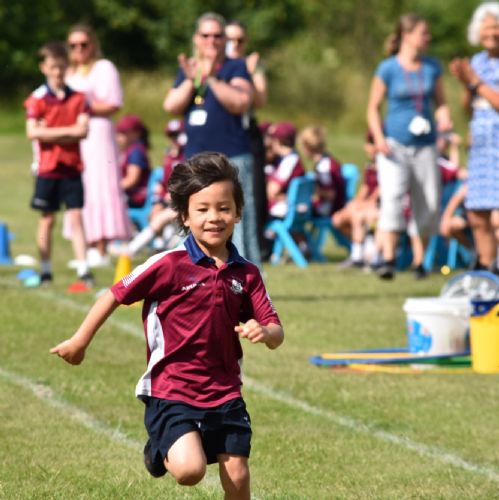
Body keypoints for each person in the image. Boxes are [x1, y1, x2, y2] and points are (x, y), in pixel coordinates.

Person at [50, 152, 284, 500]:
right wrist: (79, 341)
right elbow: (114, 295)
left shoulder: (246, 273)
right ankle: (160, 448)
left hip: (225, 389)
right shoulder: (168, 264)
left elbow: (276, 331)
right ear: (185, 216)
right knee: (190, 471)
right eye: (202, 209)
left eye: (223, 208)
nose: (214, 217)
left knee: (237, 471)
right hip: (171, 389)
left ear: (237, 213)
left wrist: (264, 333)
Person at [163, 12, 261, 267]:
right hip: (196, 161)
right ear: (196, 39)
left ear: (224, 39)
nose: (211, 41)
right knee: (194, 219)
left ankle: (244, 278)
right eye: (205, 35)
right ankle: (195, 276)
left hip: (232, 158)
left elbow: (241, 102)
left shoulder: (235, 67)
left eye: (217, 35)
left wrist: (212, 78)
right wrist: (191, 79)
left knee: (236, 221)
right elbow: (171, 105)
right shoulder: (189, 69)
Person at [367, 13, 452, 280]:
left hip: (426, 145)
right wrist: (378, 138)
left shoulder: (432, 67)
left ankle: (419, 262)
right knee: (392, 198)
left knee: (427, 201)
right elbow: (373, 107)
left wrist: (444, 119)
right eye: (423, 33)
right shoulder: (388, 68)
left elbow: (441, 103)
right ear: (406, 35)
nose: (428, 38)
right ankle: (389, 259)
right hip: (394, 145)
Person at [24, 41, 93, 288]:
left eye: (61, 67)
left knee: (76, 217)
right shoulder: (37, 99)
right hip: (47, 167)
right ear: (44, 68)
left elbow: (83, 131)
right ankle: (45, 270)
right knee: (48, 219)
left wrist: (50, 131)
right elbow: (32, 132)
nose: (57, 72)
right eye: (53, 67)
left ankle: (84, 270)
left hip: (72, 166)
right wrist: (69, 131)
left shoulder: (79, 98)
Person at [65, 23, 131, 267]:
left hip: (98, 133)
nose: (79, 49)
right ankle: (85, 245)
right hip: (75, 135)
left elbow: (113, 103)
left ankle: (101, 246)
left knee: (100, 185)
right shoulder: (69, 72)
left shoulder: (104, 68)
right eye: (73, 45)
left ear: (92, 45)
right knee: (79, 185)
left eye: (83, 44)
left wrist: (83, 106)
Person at [449, 2, 499, 273]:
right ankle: (486, 270)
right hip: (481, 146)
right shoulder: (476, 62)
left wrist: (476, 82)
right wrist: (465, 83)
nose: (491, 33)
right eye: (486, 28)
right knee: (478, 215)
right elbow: (469, 108)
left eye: (496, 27)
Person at [225, 20, 269, 258]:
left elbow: (260, 100)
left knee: (251, 192)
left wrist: (248, 73)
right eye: (229, 39)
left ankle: (253, 249)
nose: (234, 44)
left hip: (245, 131)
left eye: (239, 40)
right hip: (222, 131)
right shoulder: (218, 65)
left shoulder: (252, 64)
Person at [332, 132, 381, 269]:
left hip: (381, 207)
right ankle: (362, 249)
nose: (368, 147)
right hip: (369, 206)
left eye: (372, 143)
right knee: (338, 218)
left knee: (359, 216)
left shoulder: (387, 167)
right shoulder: (370, 166)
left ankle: (358, 255)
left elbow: (379, 193)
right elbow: (365, 188)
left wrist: (361, 206)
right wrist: (355, 203)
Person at [298, 125, 346, 218]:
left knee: (298, 209)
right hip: (332, 206)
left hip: (329, 209)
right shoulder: (328, 160)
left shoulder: (324, 168)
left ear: (307, 147)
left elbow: (331, 195)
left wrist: (313, 190)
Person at [266, 122, 305, 219]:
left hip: (283, 208)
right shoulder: (294, 157)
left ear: (278, 141)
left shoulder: (288, 162)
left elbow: (272, 192)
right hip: (290, 206)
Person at [116, 114, 151, 209]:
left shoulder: (136, 152)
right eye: (118, 132)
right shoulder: (128, 150)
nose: (118, 137)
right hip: (129, 195)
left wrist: (111, 187)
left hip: (136, 197)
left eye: (123, 133)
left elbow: (132, 180)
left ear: (136, 133)